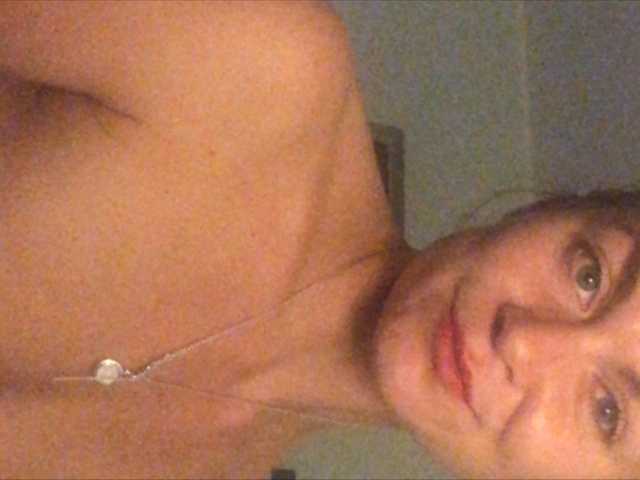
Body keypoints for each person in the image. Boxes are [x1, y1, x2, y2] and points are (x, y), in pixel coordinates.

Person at [1, 2, 638, 478]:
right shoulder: (263, 70)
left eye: (608, 411)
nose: (525, 340)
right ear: (554, 209)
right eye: (590, 274)